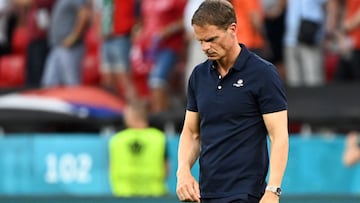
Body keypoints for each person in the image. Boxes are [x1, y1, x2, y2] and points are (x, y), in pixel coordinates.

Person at [175, 0, 289, 203]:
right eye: (200, 41)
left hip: (246, 194)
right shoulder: (198, 76)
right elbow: (192, 133)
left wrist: (273, 190)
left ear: (232, 29)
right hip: (205, 194)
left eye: (211, 39)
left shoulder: (263, 73)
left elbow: (278, 135)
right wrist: (183, 171)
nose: (205, 47)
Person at [108, 100, 168, 197]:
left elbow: (111, 167)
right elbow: (166, 169)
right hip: (154, 196)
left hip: (123, 195)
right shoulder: (159, 138)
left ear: (129, 117)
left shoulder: (116, 140)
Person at [41, 0, 92, 87]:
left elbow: (85, 15)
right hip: (56, 47)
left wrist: (74, 37)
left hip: (70, 49)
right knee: (49, 83)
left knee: (72, 84)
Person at [98, 0, 137, 101]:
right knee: (107, 79)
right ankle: (110, 111)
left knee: (123, 76)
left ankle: (136, 111)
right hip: (106, 38)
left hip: (120, 37)